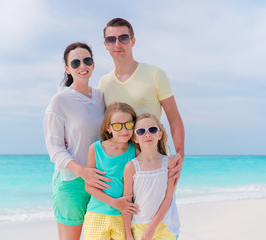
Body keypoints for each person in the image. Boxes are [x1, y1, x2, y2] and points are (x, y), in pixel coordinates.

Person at [98, 18, 185, 181]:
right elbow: (102, 124)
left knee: (161, 207)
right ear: (106, 45)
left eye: (123, 38)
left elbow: (174, 119)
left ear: (133, 41)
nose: (117, 44)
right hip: (120, 165)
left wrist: (180, 152)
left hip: (155, 160)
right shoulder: (104, 82)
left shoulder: (155, 74)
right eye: (111, 39)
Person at [44, 42, 112, 240]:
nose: (82, 66)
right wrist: (83, 172)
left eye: (87, 60)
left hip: (102, 181)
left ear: (93, 63)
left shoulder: (102, 97)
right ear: (67, 69)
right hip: (71, 182)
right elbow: (55, 149)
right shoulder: (60, 101)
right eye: (75, 63)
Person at [84, 102, 140, 240]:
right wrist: (115, 203)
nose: (124, 130)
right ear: (109, 128)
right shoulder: (96, 149)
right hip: (97, 213)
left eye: (128, 124)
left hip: (123, 216)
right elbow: (88, 186)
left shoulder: (136, 151)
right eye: (117, 125)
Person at [123, 113, 180, 240]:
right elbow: (127, 203)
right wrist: (128, 234)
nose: (147, 134)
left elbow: (168, 198)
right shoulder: (131, 167)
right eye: (141, 131)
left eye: (152, 130)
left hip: (165, 225)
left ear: (159, 134)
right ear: (135, 138)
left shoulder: (170, 163)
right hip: (138, 226)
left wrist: (152, 228)